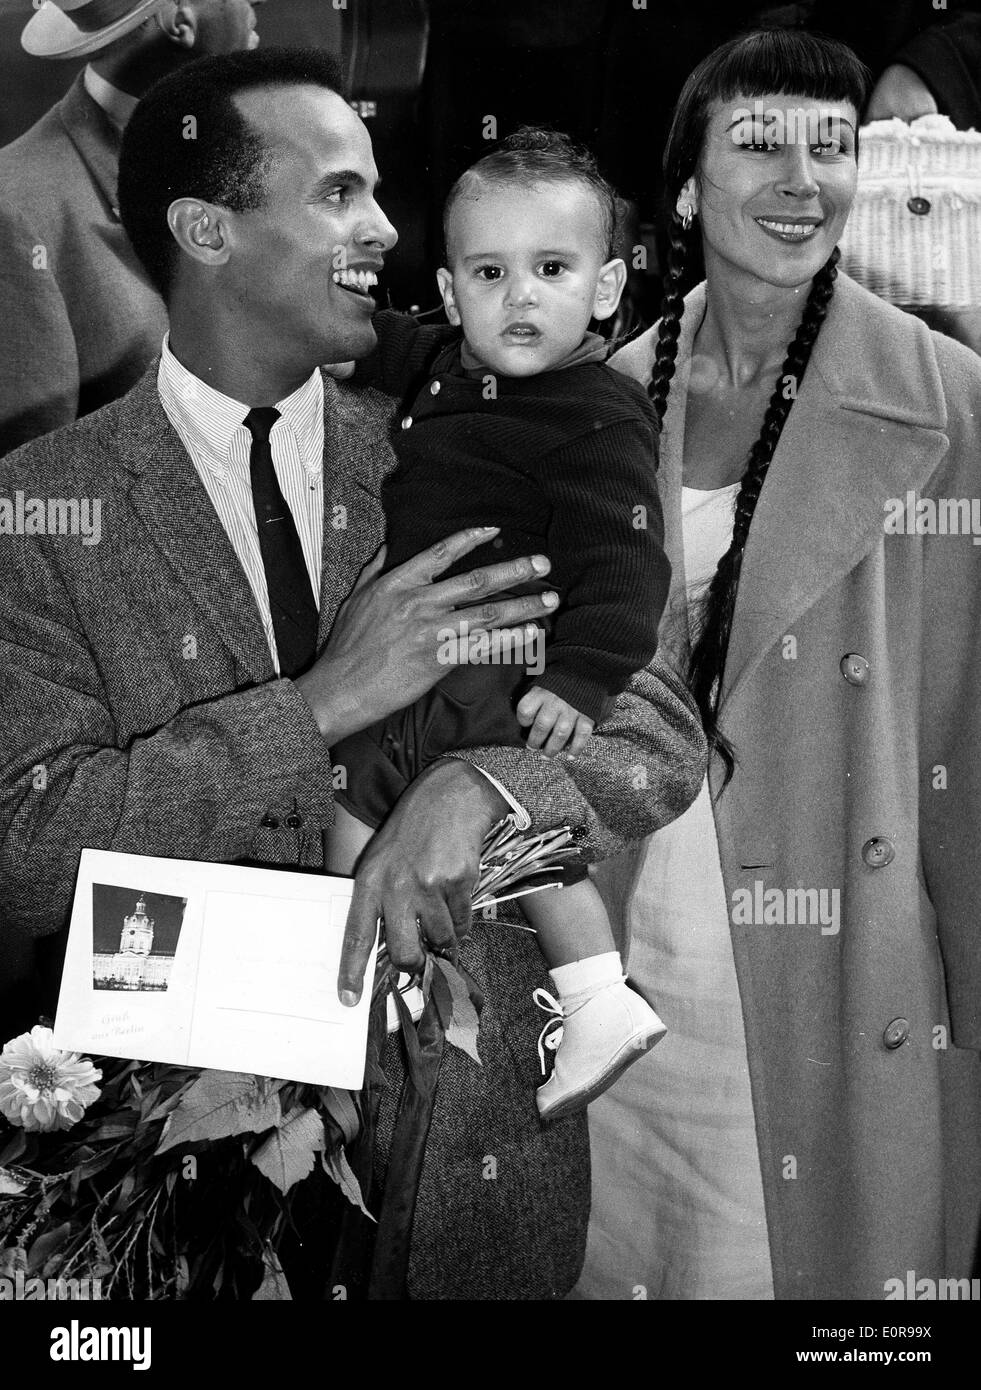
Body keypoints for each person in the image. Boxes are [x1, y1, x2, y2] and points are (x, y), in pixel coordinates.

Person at [0, 47, 705, 1299]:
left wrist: (481, 791)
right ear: (206, 228)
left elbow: (656, 733)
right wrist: (319, 704)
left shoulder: (500, 422)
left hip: (472, 1165)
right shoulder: (43, 509)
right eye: (338, 193)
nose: (385, 225)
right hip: (171, 1213)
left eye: (378, 190)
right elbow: (21, 850)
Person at [575, 28, 981, 1300]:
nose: (802, 176)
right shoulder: (602, 396)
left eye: (832, 143)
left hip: (840, 973)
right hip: (629, 963)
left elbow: (967, 755)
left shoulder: (949, 404)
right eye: (759, 142)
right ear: (687, 190)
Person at [326, 128, 671, 1122]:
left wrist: (580, 681)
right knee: (352, 803)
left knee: (511, 818)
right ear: (449, 291)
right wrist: (315, 329)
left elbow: (624, 565)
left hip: (506, 654)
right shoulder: (443, 353)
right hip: (420, 657)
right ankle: (345, 990)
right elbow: (367, 336)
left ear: (605, 290)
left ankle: (597, 989)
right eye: (491, 271)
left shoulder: (596, 415)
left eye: (551, 270)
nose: (520, 297)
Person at [0, 0, 265, 457]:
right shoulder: (17, 211)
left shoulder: (260, 142)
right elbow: (33, 492)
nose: (256, 4)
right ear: (181, 20)